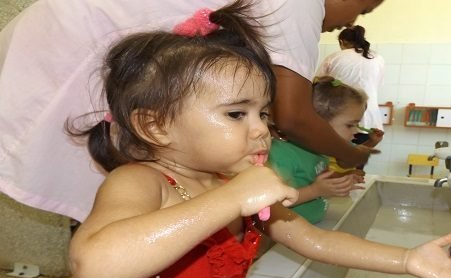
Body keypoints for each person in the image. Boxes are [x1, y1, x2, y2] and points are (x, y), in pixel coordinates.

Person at [60, 4, 451, 278]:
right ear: (155, 125)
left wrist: (406, 259)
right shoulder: (140, 181)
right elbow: (96, 264)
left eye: (263, 114)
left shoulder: (237, 185)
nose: (261, 131)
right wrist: (232, 198)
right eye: (237, 114)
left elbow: (314, 242)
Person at [0, 0, 381, 223]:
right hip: (66, 58)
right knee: (111, 219)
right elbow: (294, 115)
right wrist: (355, 154)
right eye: (364, 7)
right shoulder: (300, 3)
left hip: (74, 46)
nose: (355, 21)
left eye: (262, 115)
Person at [269, 76, 374, 224]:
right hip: (286, 233)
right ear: (317, 123)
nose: (356, 131)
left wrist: (339, 181)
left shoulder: (319, 148)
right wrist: (316, 191)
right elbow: (272, 204)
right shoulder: (282, 154)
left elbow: (310, 177)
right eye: (350, 125)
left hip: (312, 225)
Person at [317, 25, 386, 144]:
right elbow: (377, 86)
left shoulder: (334, 58)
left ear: (342, 42)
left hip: (338, 120)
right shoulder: (378, 59)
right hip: (369, 120)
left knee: (334, 158)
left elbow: (317, 86)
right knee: (357, 157)